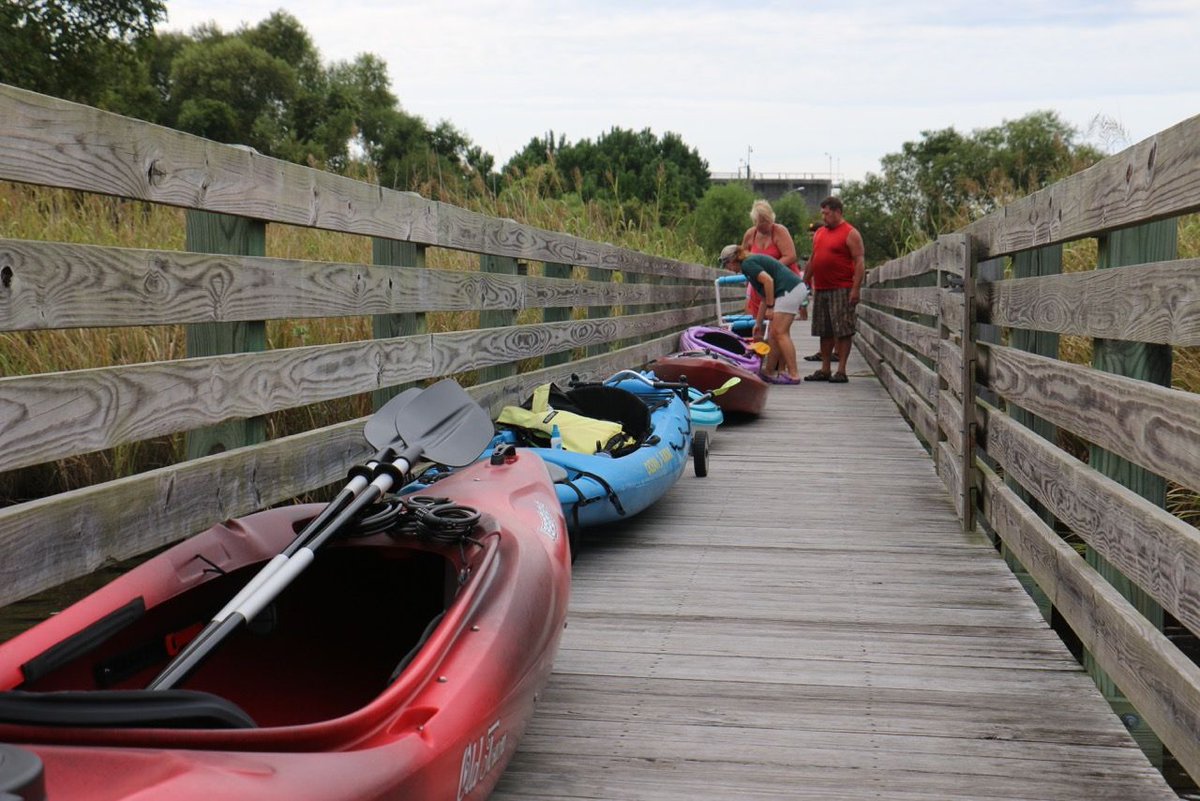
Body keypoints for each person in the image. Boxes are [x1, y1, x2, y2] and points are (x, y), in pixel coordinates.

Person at [719, 244, 804, 384]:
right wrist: (758, 323)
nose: (728, 269)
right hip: (791, 290)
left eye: (726, 264)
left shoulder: (747, 264)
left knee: (780, 333)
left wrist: (771, 307)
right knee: (774, 334)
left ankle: (794, 375)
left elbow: (768, 281)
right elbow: (764, 297)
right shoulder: (749, 267)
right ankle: (769, 372)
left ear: (732, 260)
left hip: (789, 290)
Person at [802, 196, 864, 384]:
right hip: (821, 288)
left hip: (842, 288)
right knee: (825, 329)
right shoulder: (820, 232)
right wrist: (804, 281)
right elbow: (814, 258)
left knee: (843, 329)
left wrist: (855, 289)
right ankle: (825, 368)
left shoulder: (850, 233)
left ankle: (842, 370)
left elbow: (859, 261)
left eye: (826, 213)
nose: (824, 216)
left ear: (837, 212)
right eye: (822, 213)